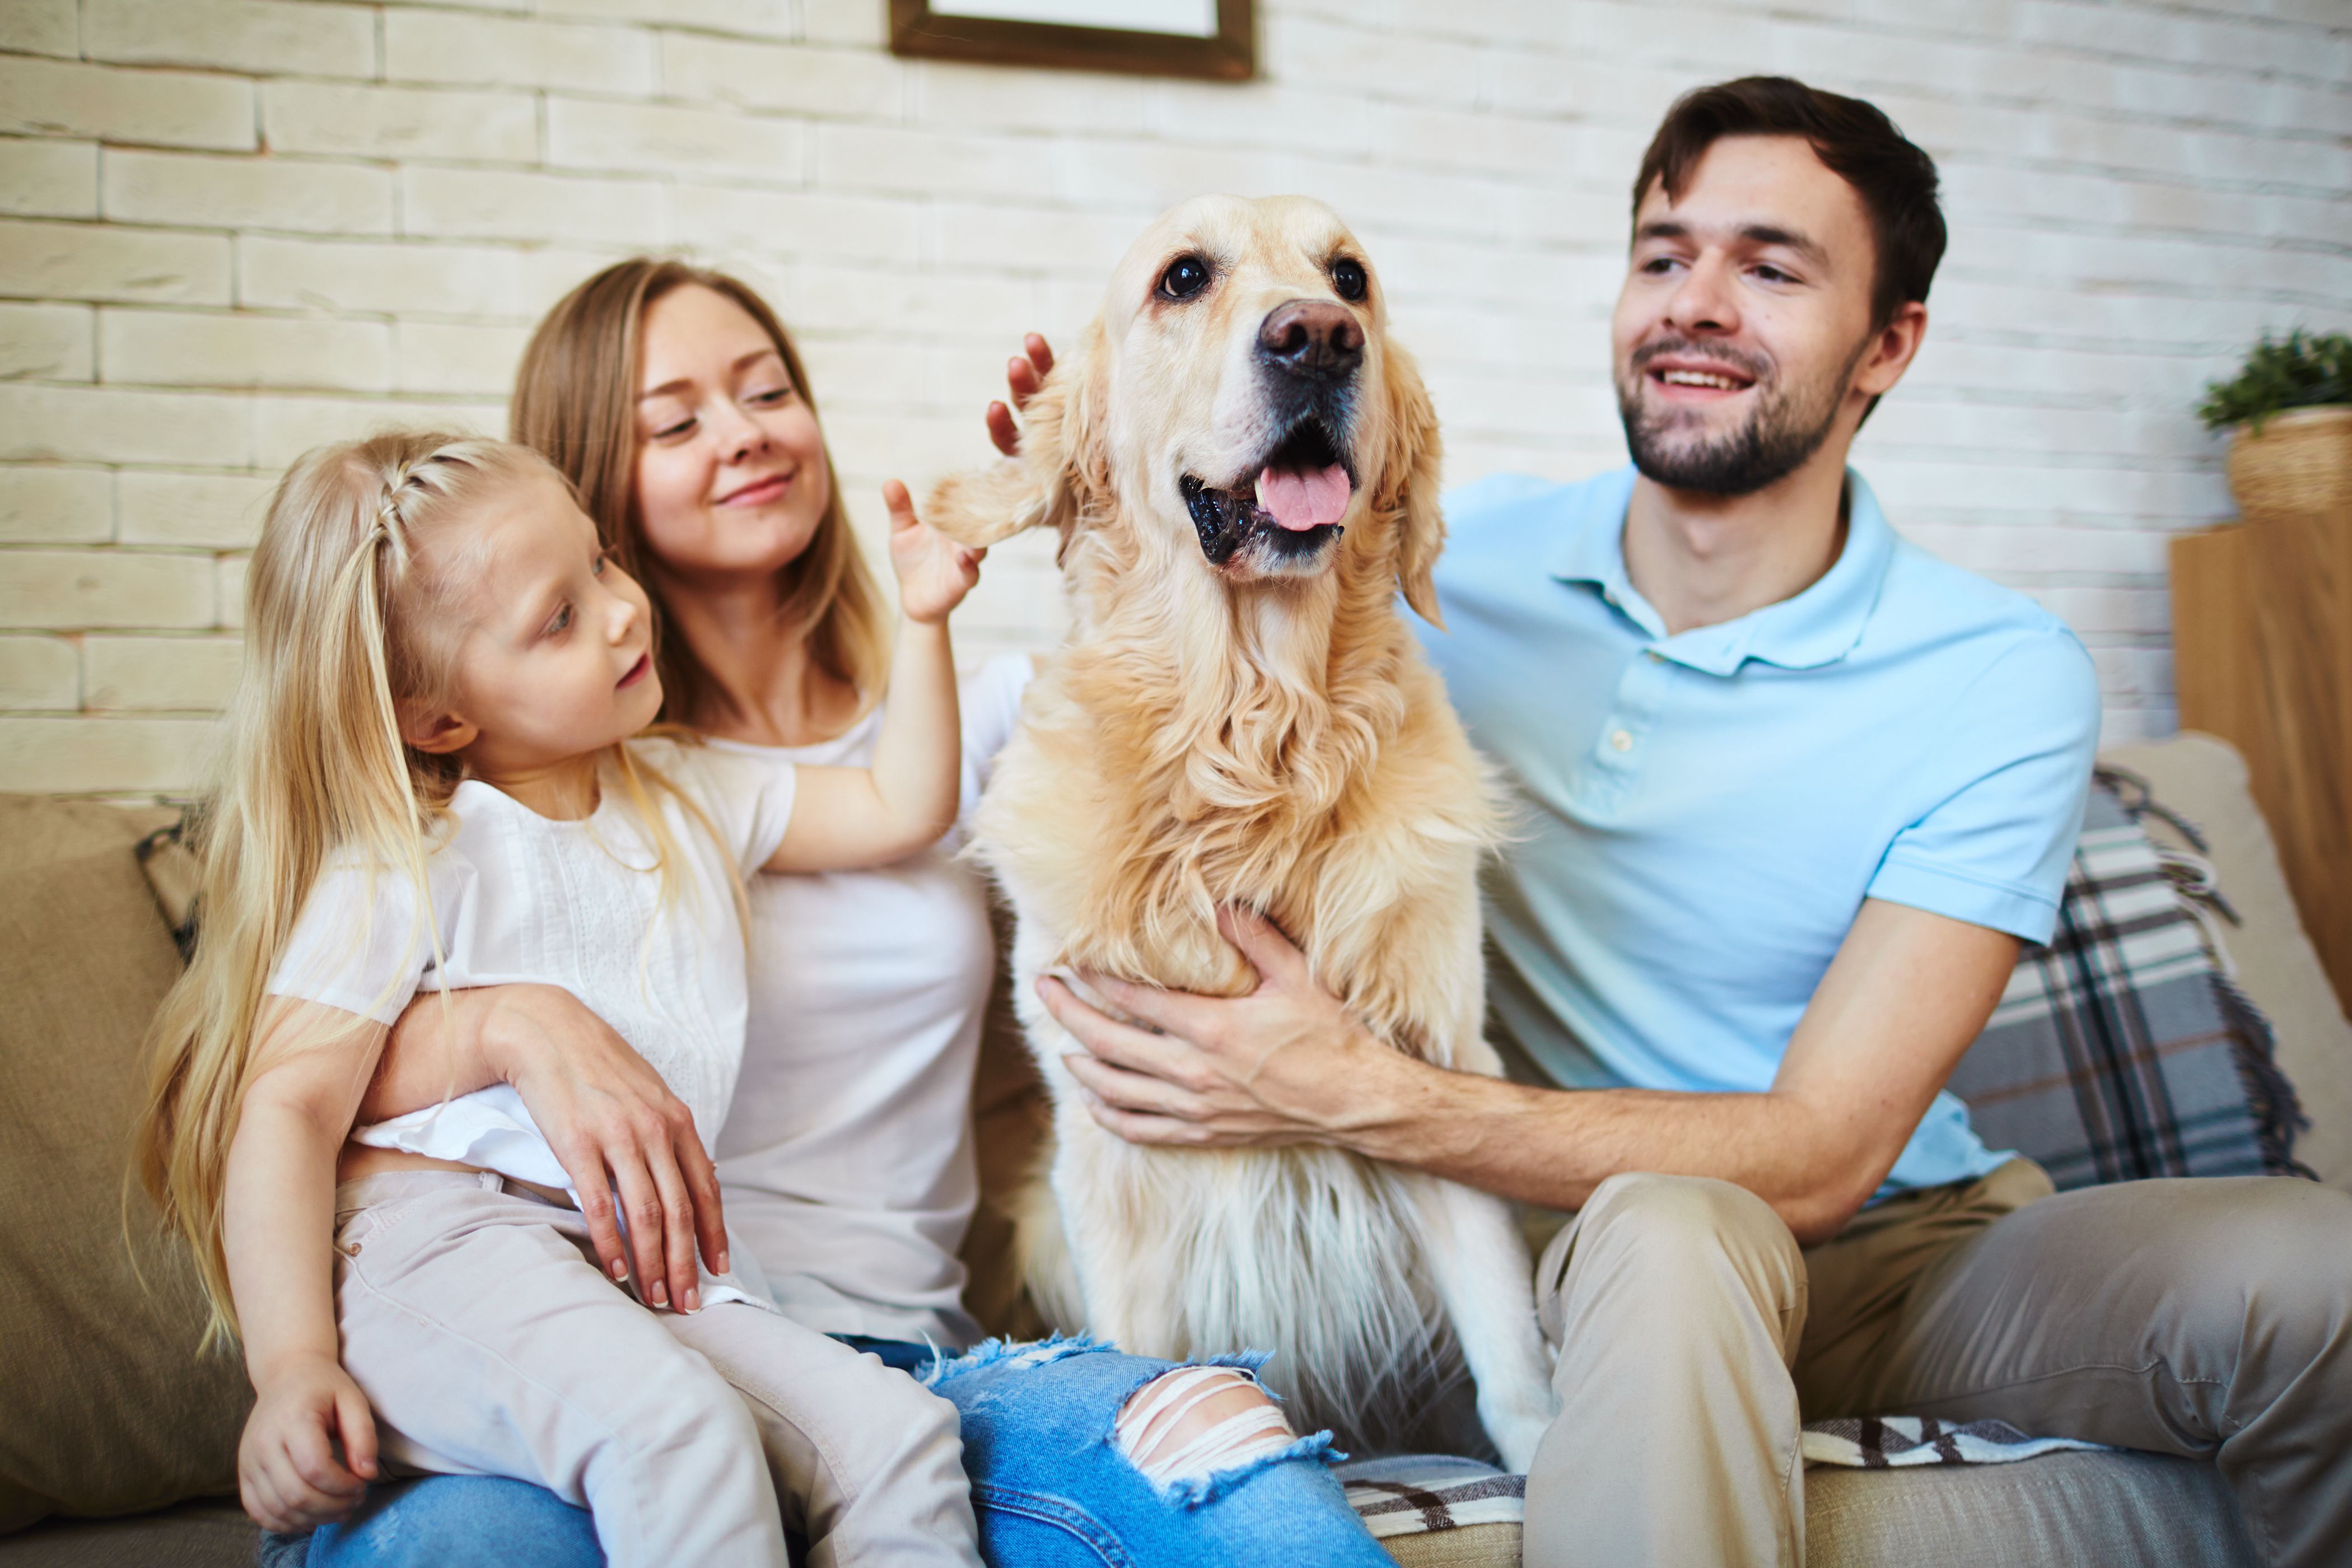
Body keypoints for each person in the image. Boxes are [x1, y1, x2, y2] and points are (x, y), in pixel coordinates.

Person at [1032, 77, 2352, 1568]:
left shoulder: (2002, 673)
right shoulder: (1431, 572)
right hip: (1610, 1251)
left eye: (1772, 268)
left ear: (1890, 343)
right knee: (1670, 1230)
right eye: (1666, 256)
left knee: (2328, 1275)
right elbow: (1158, 641)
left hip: (1916, 1250)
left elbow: (1825, 1153)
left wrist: (1356, 1092)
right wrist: (1089, 432)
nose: (1697, 304)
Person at [283, 262, 1397, 1567]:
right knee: (474, 1545)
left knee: (1232, 1468)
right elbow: (303, 1082)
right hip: (597, 1331)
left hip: (908, 1364)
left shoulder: (959, 722)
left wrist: (1104, 470)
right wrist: (508, 1024)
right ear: (587, 475)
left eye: (766, 391)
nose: (746, 431)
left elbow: (1206, 726)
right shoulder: (509, 789)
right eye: (676, 418)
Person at [137, 429, 990, 1566]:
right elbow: (285, 1106)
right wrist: (293, 1363)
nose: (623, 609)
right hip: (432, 1249)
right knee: (679, 1436)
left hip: (634, 1259)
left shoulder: (688, 794)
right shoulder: (410, 857)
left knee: (899, 1437)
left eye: (599, 563)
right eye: (560, 616)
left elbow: (901, 803)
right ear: (439, 717)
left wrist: (924, 617)